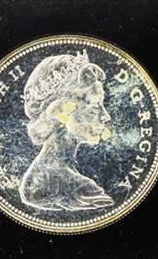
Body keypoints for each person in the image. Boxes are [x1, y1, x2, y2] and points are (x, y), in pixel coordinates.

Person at [19, 51, 115, 210]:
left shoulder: (32, 181)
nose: (106, 116)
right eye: (95, 106)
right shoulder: (82, 189)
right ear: (63, 109)